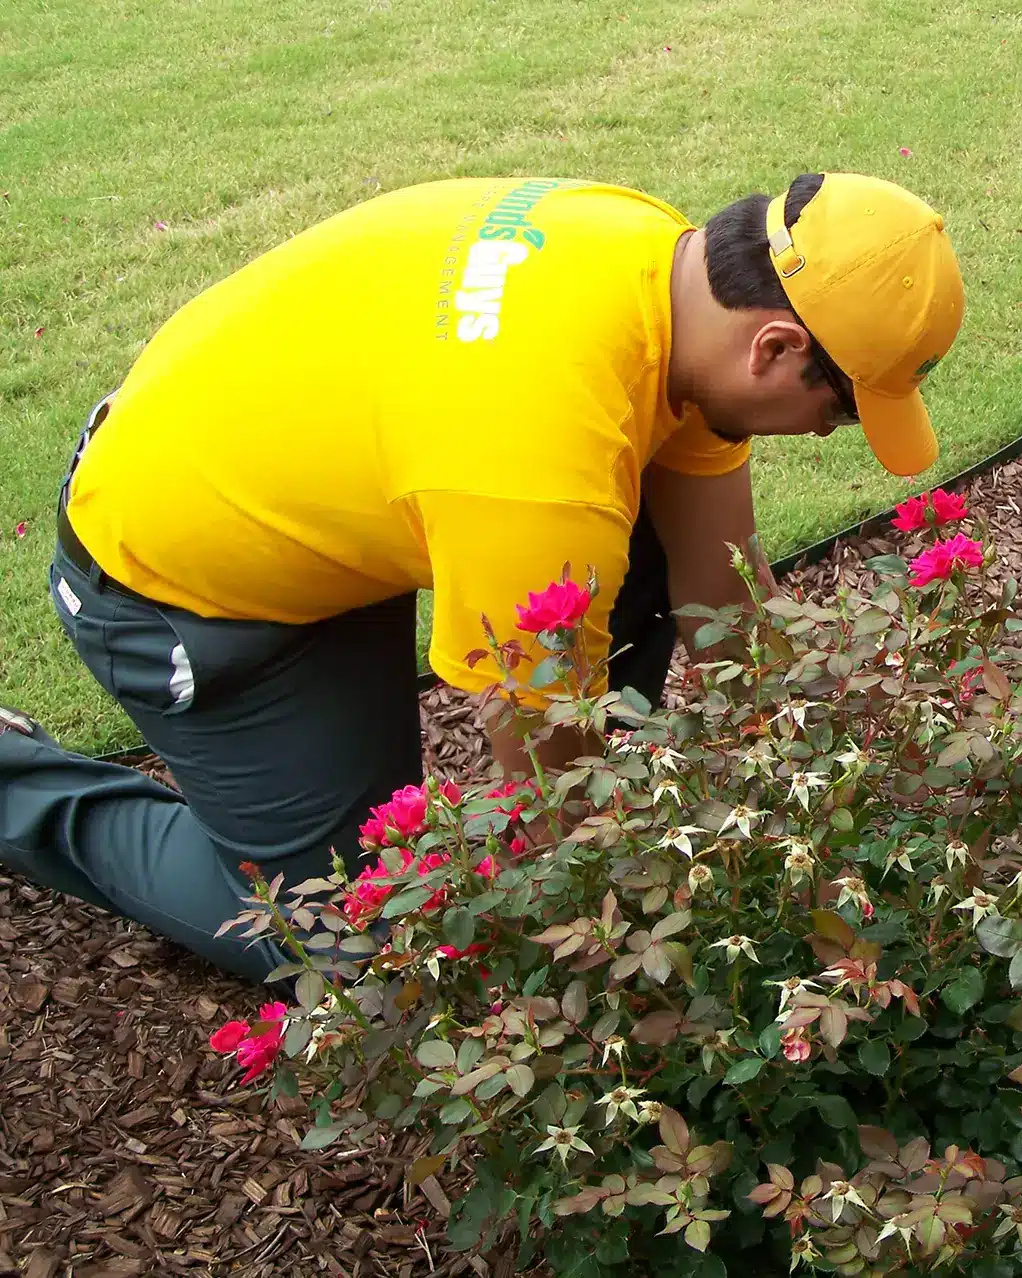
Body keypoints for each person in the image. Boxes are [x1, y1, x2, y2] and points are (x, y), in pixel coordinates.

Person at [0, 171, 964, 982]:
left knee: (627, 571)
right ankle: (18, 781)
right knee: (346, 939)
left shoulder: (657, 264)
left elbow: (719, 587)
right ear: (777, 348)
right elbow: (550, 782)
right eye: (840, 412)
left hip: (326, 483)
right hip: (179, 581)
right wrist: (638, 925)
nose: (830, 435)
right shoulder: (538, 479)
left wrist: (809, 776)